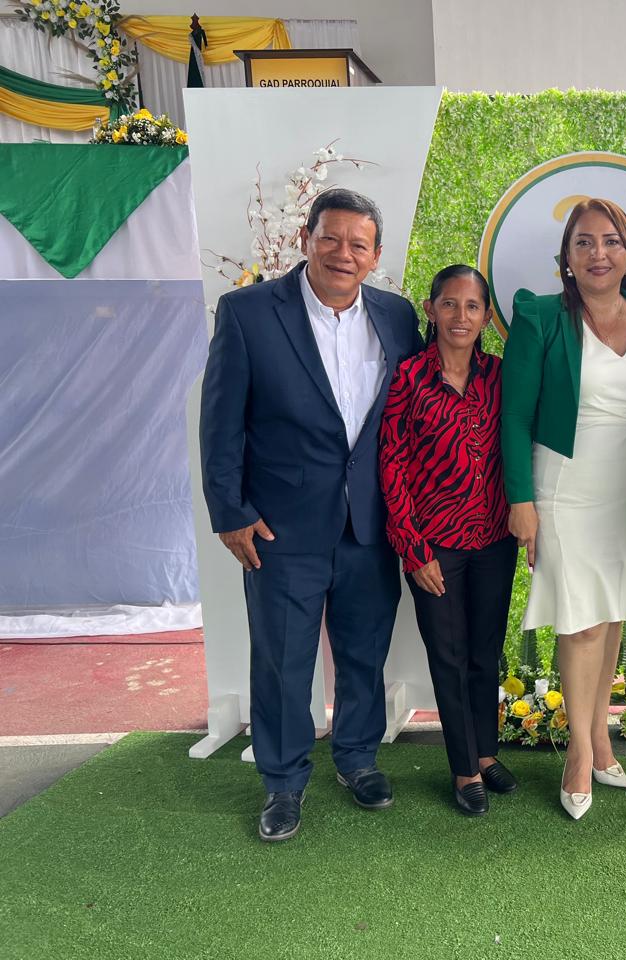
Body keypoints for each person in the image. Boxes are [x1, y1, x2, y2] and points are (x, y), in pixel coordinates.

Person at [200, 188, 423, 842]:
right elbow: (221, 422)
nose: (342, 253)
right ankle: (283, 782)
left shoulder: (396, 317)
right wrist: (230, 512)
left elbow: (407, 421)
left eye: (359, 244)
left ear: (375, 256)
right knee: (282, 662)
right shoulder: (248, 313)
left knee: (364, 653)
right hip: (280, 529)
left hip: (370, 527)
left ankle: (357, 758)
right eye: (330, 237)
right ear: (306, 239)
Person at [502, 197, 626, 820]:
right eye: (583, 242)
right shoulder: (540, 317)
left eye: (610, 241)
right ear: (567, 258)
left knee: (611, 615)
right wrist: (521, 501)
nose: (597, 253)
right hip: (565, 490)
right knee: (579, 622)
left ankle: (601, 735)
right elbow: (514, 416)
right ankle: (579, 752)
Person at [379, 265, 517, 817]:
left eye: (472, 306)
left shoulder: (500, 376)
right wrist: (413, 550)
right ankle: (463, 768)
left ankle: (486, 753)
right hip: (434, 547)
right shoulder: (409, 378)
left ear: (486, 316)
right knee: (449, 655)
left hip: (494, 540)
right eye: (450, 304)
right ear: (431, 309)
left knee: (485, 653)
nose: (461, 316)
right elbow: (391, 466)